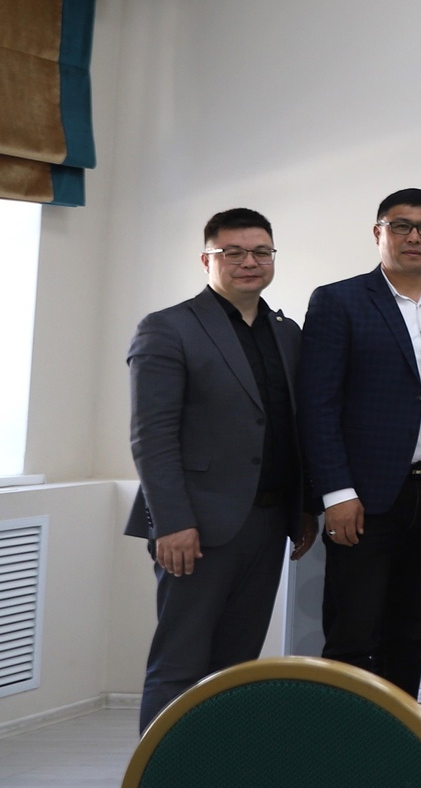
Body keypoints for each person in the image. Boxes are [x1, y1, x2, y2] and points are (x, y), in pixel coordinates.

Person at [126, 208, 318, 729]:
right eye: (233, 252)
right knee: (180, 663)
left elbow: (291, 427)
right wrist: (172, 522)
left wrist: (303, 507)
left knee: (235, 669)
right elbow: (151, 436)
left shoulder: (287, 333)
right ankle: (160, 778)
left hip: (268, 523)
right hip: (197, 526)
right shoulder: (168, 328)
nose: (249, 262)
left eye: (261, 252)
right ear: (206, 259)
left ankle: (216, 772)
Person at [300, 188, 421, 698]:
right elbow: (318, 405)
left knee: (409, 631)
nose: (414, 237)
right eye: (401, 226)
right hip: (364, 499)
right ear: (379, 233)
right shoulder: (338, 301)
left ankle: (397, 741)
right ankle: (345, 743)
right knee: (353, 635)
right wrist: (336, 493)